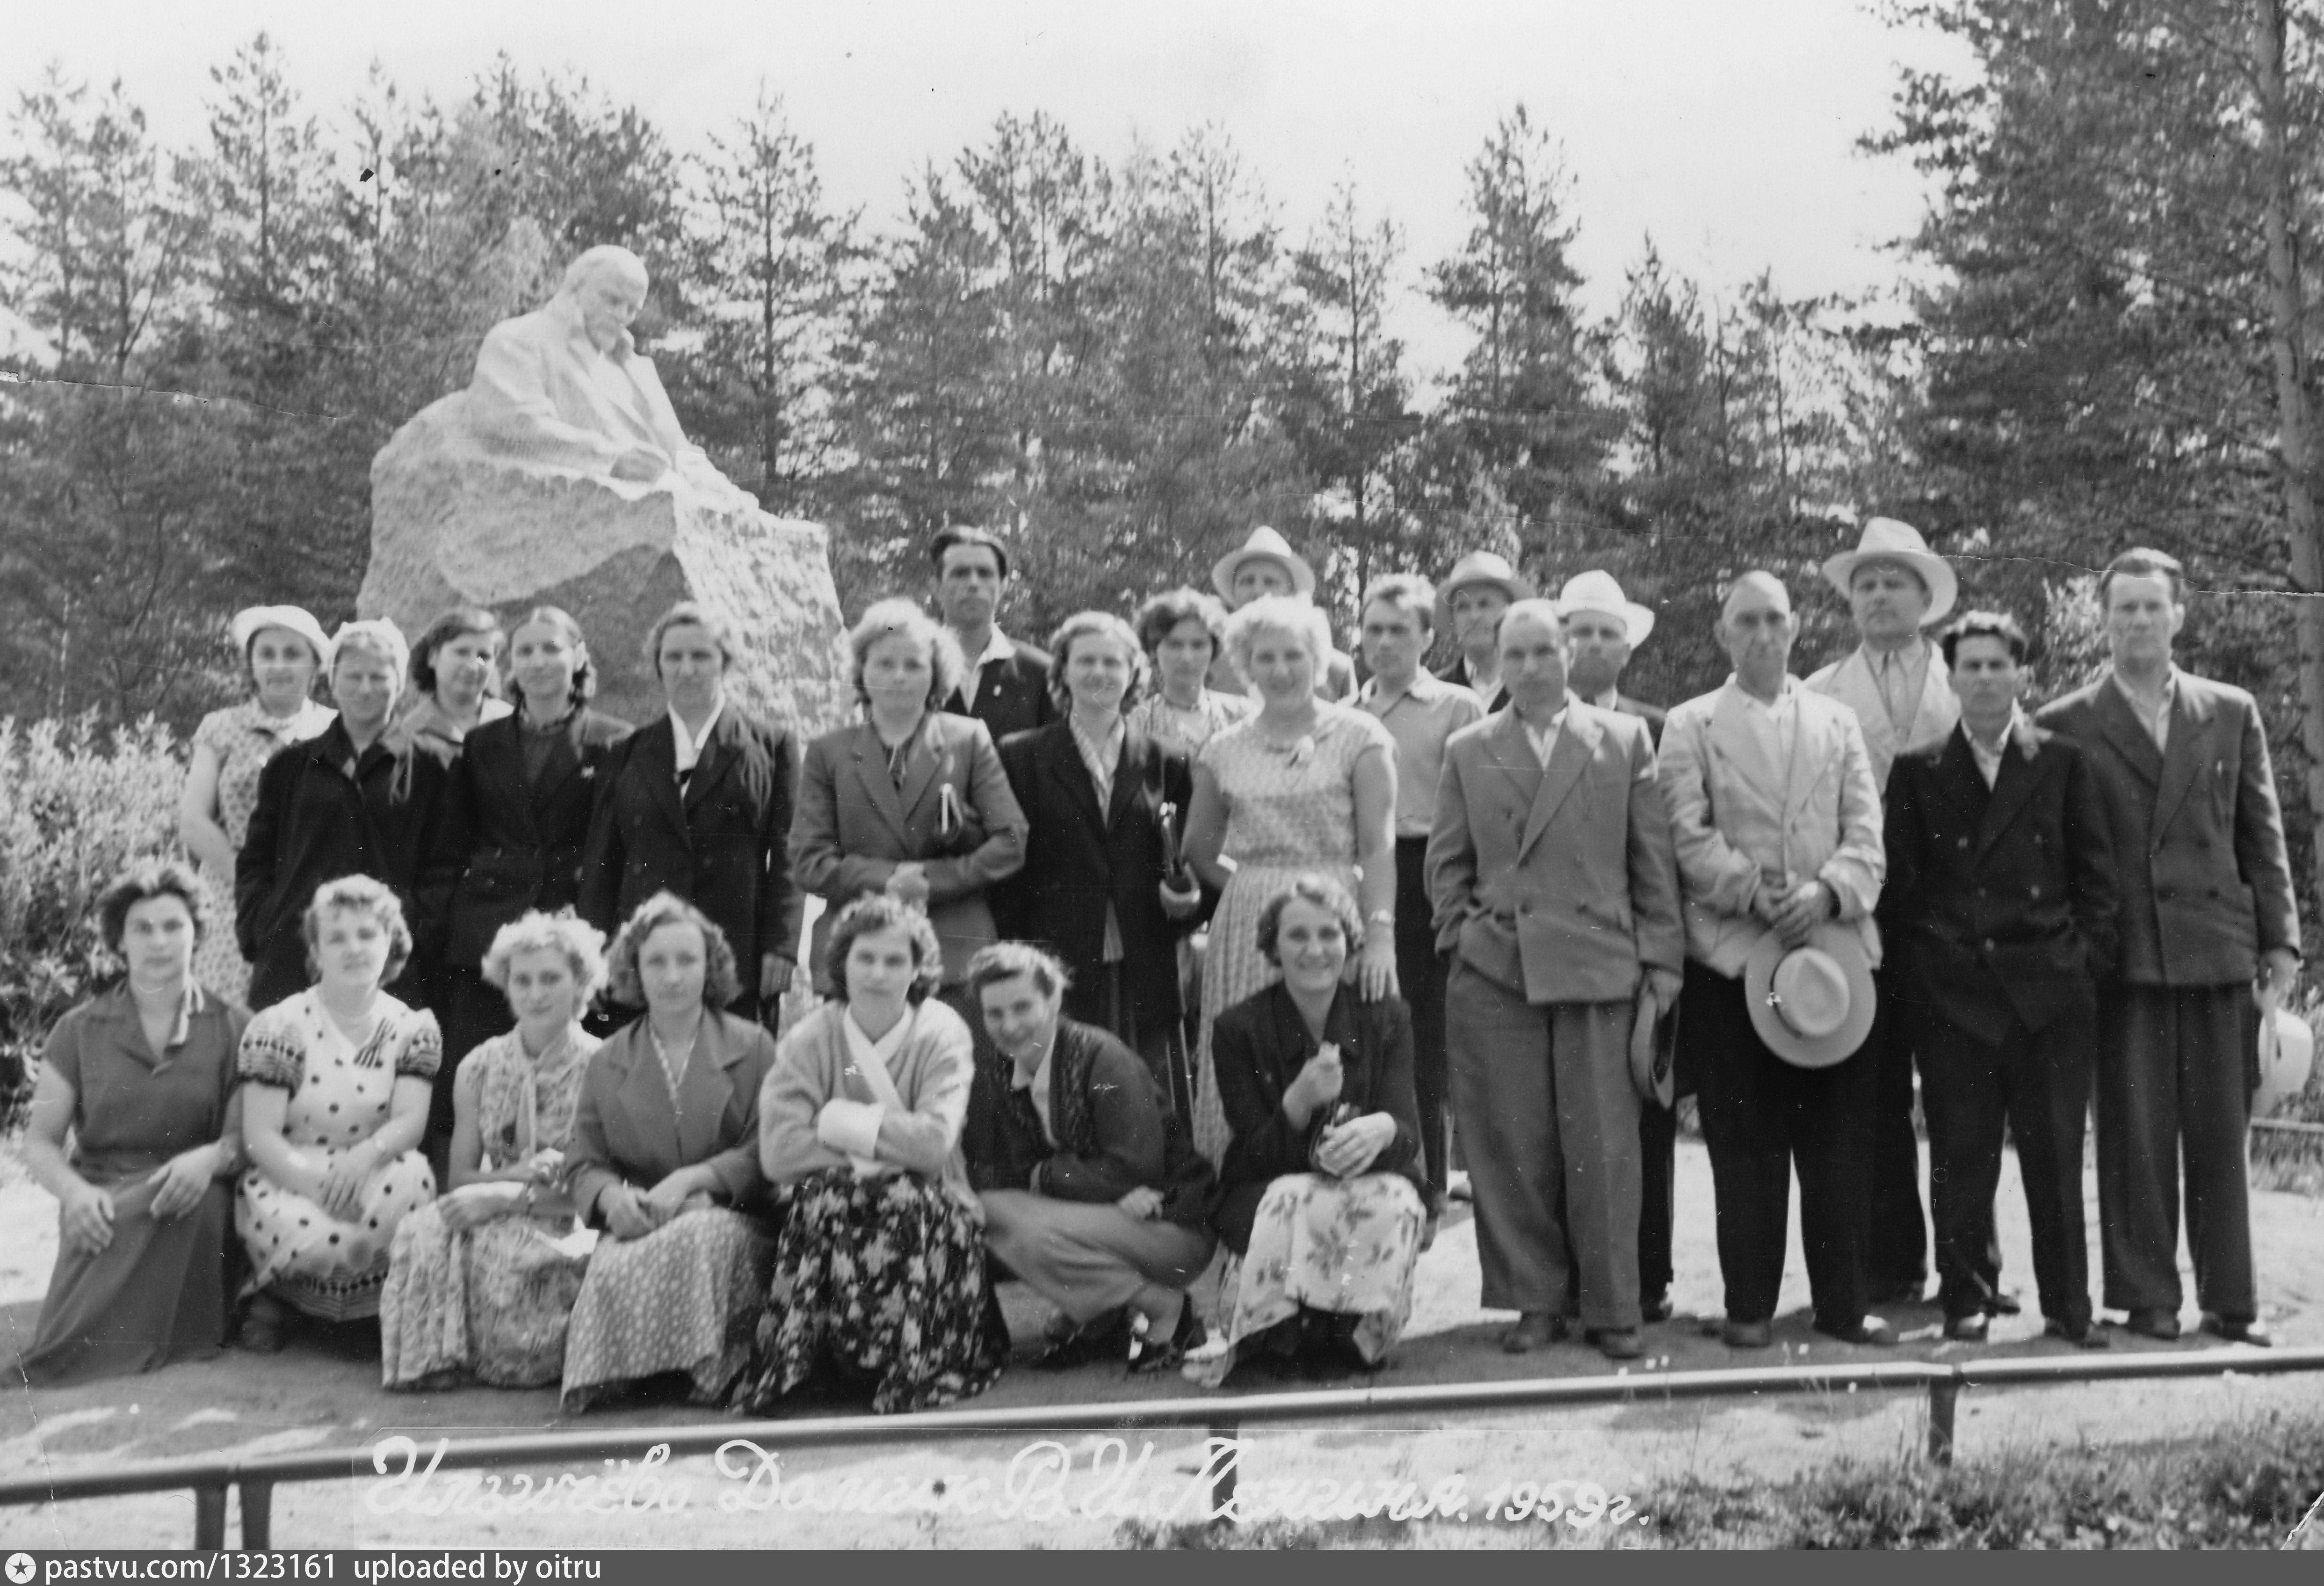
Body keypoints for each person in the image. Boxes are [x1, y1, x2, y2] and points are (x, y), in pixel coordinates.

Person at [2034, 548, 2299, 1347]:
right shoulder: (2064, 722)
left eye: (2153, 607)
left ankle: (2231, 1301)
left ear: (2178, 615)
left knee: (2220, 1134)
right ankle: (2145, 1298)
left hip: (2216, 949)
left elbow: (2261, 835)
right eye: (2124, 608)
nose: (2139, 621)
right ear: (2102, 620)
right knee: (2134, 1136)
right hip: (2123, 958)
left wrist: (2280, 942)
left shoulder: (2229, 710)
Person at [1429, 600, 1685, 1360]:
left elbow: (1651, 861)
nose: (1531, 666)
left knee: (1605, 1145)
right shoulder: (1469, 747)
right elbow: (1444, 866)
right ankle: (1534, 1301)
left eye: (1544, 651)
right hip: (1495, 969)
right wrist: (1463, 937)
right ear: (1498, 662)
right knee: (1511, 1142)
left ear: (1569, 655)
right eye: (1515, 654)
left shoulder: (1622, 738)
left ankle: (1612, 1307)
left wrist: (1661, 961)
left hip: (1597, 965)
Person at [1659, 572, 1894, 1349]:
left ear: (1794, 628)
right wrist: (1751, 893)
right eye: (1745, 622)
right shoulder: (1690, 724)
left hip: (1831, 964)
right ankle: (1749, 1308)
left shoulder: (1836, 721)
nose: (1761, 634)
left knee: (1839, 1143)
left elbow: (1866, 832)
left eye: (1773, 619)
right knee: (1745, 1142)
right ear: (1722, 635)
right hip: (1734, 961)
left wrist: (1826, 893)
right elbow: (1685, 833)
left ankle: (1841, 1305)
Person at [1883, 612, 2118, 1347]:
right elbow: (1901, 894)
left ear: (2022, 674)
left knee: (2055, 1157)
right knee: (1961, 1156)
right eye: (1971, 666)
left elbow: (2097, 882)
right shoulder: (1918, 768)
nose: (1984, 678)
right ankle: (1967, 1298)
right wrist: (1931, 979)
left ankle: (2069, 1307)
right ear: (1951, 678)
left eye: (1997, 665)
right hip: (1956, 998)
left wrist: (2079, 967)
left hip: (2049, 995)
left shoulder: (2063, 761)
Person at [738, 896, 1006, 1414]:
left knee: (901, 1199)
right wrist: (884, 1155)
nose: (879, 973)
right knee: (836, 1197)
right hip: (831, 1202)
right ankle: (826, 1360)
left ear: (918, 968)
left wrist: (838, 1121)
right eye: (866, 958)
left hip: (932, 1201)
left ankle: (913, 1357)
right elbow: (778, 1152)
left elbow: (934, 1143)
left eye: (894, 960)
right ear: (842, 962)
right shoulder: (810, 1037)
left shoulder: (942, 1031)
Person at [1180, 595, 1400, 1165]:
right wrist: (1254, 887)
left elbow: (1378, 846)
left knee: (1340, 1053)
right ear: (1245, 666)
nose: (1280, 670)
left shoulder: (1360, 736)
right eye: (1265, 657)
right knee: (1249, 1058)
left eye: (1293, 656)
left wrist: (1379, 935)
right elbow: (1198, 847)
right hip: (1250, 925)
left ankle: (1347, 1175)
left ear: (1319, 659)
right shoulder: (1223, 749)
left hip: (1337, 917)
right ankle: (1240, 1192)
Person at [1806, 517, 1963, 1309]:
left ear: (1923, 596)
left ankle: (1970, 1271)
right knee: (1869, 1093)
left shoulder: (1967, 679)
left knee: (1959, 1094)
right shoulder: (1818, 691)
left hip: (1952, 917)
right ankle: (1890, 1264)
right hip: (1859, 915)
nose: (1876, 595)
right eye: (1864, 583)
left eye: (1892, 581)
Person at [17, 861, 247, 1385]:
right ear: (119, 940)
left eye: (173, 926)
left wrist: (208, 1159)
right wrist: (74, 1194)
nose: (158, 942)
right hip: (102, 1193)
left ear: (197, 933)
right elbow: (40, 1142)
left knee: (203, 1205)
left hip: (193, 1193)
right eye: (142, 928)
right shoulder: (76, 1030)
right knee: (105, 1220)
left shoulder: (236, 1026)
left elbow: (244, 1139)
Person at [1198, 876, 1425, 1384]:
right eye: (1297, 935)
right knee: (1292, 1197)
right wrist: (1295, 1106)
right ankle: (1281, 1332)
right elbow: (1249, 1156)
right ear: (1272, 946)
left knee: (1396, 1197)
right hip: (1270, 1185)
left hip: (1362, 1184)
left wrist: (1383, 1130)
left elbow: (1408, 1134)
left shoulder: (1386, 1017)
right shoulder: (1238, 1028)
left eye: (1328, 934)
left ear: (1349, 940)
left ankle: (1354, 1331)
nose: (1315, 950)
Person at [559, 894, 780, 1411]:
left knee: (700, 1235)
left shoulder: (754, 1046)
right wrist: (611, 1199)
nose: (673, 976)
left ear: (711, 967)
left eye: (687, 960)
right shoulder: (608, 1059)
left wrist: (696, 1181)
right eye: (656, 962)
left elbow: (768, 1147)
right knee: (612, 1262)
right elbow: (584, 1159)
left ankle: (708, 1367)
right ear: (634, 970)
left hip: (733, 1218)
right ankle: (629, 1372)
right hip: (646, 1219)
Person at [962, 943, 1217, 1373]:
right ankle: (1104, 1317)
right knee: (987, 1213)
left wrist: (1048, 1177)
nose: (1009, 1026)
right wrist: (1068, 1183)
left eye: (1022, 1007)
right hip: (1117, 1216)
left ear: (1053, 1000)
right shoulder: (1007, 1069)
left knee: (1004, 1216)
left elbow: (1133, 1167)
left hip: (1174, 1223)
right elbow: (1020, 1170)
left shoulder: (1101, 1057)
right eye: (994, 1014)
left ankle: (1165, 1309)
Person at [379, 910, 607, 1389]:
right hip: (496, 1203)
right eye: (522, 980)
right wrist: (510, 1178)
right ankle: (435, 1363)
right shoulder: (479, 1066)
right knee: (423, 1227)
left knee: (513, 1253)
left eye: (551, 979)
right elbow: (461, 1178)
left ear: (580, 983)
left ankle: (529, 1363)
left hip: (567, 1216)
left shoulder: (603, 1067)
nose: (535, 993)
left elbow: (598, 1193)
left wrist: (508, 1196)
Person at [994, 611, 1202, 1107]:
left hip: (1145, 959)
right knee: (1069, 1095)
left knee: (1150, 1101)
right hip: (1059, 957)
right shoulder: (1021, 756)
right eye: (1085, 661)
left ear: (1134, 673)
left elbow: (1191, 859)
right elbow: (1010, 870)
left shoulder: (1167, 759)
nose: (1099, 672)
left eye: (1112, 662)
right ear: (1062, 671)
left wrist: (1187, 901)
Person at [428, 607, 631, 1116]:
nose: (538, 661)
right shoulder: (481, 744)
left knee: (573, 1100)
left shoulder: (614, 742)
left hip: (571, 939)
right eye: (525, 651)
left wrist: (595, 950)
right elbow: (450, 848)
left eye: (551, 648)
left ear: (578, 657)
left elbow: (612, 854)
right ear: (511, 664)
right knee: (475, 1089)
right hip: (487, 940)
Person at [791, 598, 1028, 1017]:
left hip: (954, 956)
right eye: (884, 664)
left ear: (936, 674)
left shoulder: (968, 739)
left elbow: (1010, 840)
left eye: (914, 665)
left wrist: (930, 881)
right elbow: (808, 860)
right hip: (858, 957)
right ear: (861, 671)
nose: (899, 676)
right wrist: (887, 882)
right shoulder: (828, 752)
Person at [234, 876, 441, 1351]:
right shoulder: (281, 1025)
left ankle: (370, 1311)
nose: (354, 948)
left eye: (367, 935)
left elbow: (409, 1122)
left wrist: (364, 1158)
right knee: (319, 1234)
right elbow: (260, 1135)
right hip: (293, 1169)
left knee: (412, 1179)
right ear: (316, 951)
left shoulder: (411, 1028)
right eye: (337, 938)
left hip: (371, 1165)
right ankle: (285, 1303)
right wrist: (317, 1187)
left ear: (390, 942)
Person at [580, 603, 801, 1022]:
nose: (686, 669)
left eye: (701, 656)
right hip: (643, 956)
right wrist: (593, 954)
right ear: (658, 666)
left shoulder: (772, 747)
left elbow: (789, 855)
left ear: (726, 663)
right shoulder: (624, 752)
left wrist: (783, 945)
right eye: (673, 657)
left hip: (738, 956)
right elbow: (601, 864)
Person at [1557, 570, 1679, 1320]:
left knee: (1642, 1111)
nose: (1594, 645)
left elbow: (1662, 852)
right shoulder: (1514, 721)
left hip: (1633, 949)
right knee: (1560, 1120)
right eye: (1581, 631)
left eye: (1608, 633)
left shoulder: (1659, 728)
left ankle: (1648, 1277)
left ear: (1628, 649)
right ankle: (1568, 1281)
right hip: (1549, 949)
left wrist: (1661, 955)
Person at [1352, 574, 1483, 1224]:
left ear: (1428, 637)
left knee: (1428, 1035)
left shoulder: (1457, 707)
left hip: (1431, 870)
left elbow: (1482, 805)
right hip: (1365, 876)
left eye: (1399, 630)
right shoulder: (1347, 711)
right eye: (1373, 630)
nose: (1384, 643)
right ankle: (1384, 1169)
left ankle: (1433, 1183)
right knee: (1373, 1027)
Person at [237, 620, 451, 1012]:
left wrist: (413, 930)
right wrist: (264, 924)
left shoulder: (432, 766)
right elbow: (255, 861)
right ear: (332, 683)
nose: (366, 688)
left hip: (393, 962)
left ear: (400, 683)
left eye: (379, 677)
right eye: (353, 676)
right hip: (294, 956)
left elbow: (445, 866)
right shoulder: (292, 764)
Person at [463, 244, 740, 498]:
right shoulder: (518, 339)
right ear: (574, 288)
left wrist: (730, 497)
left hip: (669, 504)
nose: (622, 316)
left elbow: (681, 452)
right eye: (612, 300)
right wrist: (611, 459)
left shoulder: (636, 367)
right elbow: (510, 423)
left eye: (632, 309)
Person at [180, 606, 336, 1007]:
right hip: (232, 898)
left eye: (292, 654)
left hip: (316, 903)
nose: (278, 665)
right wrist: (253, 884)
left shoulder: (335, 731)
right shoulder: (221, 727)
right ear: (251, 663)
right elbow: (194, 822)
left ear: (316, 665)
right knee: (229, 1017)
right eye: (267, 654)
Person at [931, 525, 1055, 742]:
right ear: (936, 586)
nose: (973, 583)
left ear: (1003, 585)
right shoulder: (907, 666)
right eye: (960, 573)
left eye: (985, 573)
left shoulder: (1042, 674)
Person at [1209, 526, 1357, 702]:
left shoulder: (1336, 670)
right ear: (1234, 593)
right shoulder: (1209, 665)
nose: (1257, 591)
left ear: (1292, 594)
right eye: (1247, 581)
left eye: (1270, 582)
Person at [386, 608, 512, 784]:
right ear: (433, 657)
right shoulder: (410, 733)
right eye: (462, 652)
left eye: (484, 656)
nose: (473, 666)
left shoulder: (513, 722)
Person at [1127, 587, 1252, 757]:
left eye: (1198, 645)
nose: (1187, 657)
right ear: (1153, 650)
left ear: (1214, 649)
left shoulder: (1243, 714)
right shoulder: (1139, 722)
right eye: (1175, 645)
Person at [1435, 552, 1535, 712]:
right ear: (1453, 618)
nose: (1474, 616)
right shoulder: (1436, 692)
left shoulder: (1535, 685)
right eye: (1463, 607)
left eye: (1484, 604)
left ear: (1510, 611)